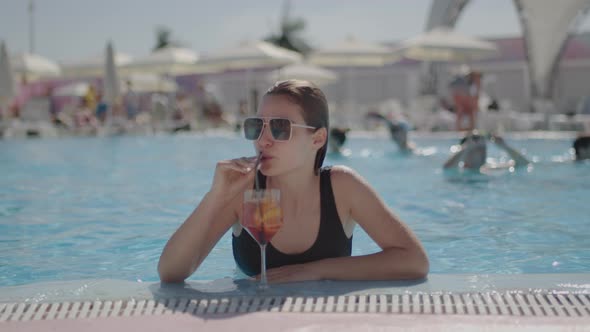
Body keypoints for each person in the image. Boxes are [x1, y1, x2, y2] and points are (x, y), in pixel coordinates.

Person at [158, 80, 429, 284]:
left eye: (279, 128)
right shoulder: (243, 190)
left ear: (317, 139)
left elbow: (414, 260)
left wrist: (316, 270)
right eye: (257, 126)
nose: (263, 139)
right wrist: (214, 196)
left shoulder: (342, 188)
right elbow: (171, 273)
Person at [443, 130, 530, 171]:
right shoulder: (460, 171)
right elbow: (446, 168)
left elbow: (523, 164)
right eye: (476, 149)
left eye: (483, 149)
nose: (481, 152)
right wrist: (466, 147)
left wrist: (504, 146)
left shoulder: (490, 168)